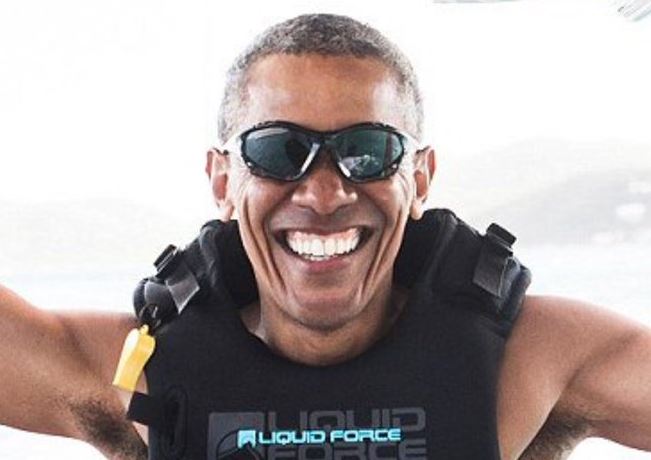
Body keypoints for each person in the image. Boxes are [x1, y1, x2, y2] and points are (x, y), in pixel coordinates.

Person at [1, 13, 650, 460]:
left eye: (369, 150)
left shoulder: (538, 359)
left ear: (420, 178)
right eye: (277, 150)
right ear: (223, 181)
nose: (323, 193)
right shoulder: (132, 370)